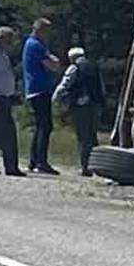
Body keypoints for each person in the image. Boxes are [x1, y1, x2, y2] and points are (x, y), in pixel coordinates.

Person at [53, 47, 104, 176]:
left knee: (83, 136)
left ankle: (86, 167)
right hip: (95, 104)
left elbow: (65, 84)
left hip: (81, 105)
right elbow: (101, 88)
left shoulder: (74, 67)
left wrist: (54, 99)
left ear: (72, 57)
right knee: (93, 135)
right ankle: (97, 165)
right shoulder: (94, 67)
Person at [22, 18, 62, 175]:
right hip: (40, 89)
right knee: (45, 126)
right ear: (41, 30)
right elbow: (51, 64)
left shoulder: (31, 44)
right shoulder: (36, 45)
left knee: (40, 125)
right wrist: (55, 63)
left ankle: (34, 160)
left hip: (35, 89)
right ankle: (41, 162)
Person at [0, 26, 25, 176]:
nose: (11, 44)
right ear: (2, 38)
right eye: (9, 40)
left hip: (3, 96)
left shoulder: (0, 52)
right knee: (7, 132)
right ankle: (11, 167)